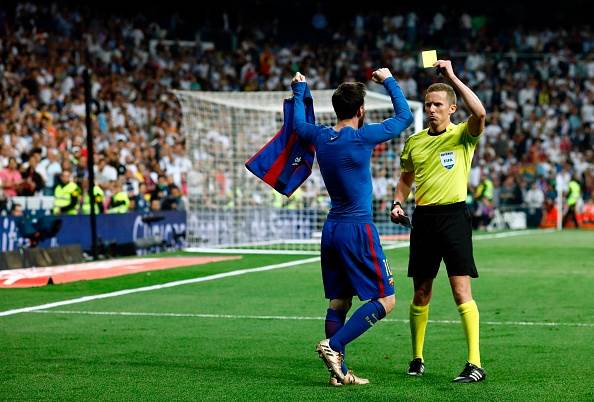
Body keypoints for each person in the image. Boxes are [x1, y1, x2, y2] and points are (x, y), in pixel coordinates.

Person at [292, 67, 413, 385]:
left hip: (331, 229)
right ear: (361, 110)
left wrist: (300, 91)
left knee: (340, 301)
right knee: (387, 299)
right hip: (357, 229)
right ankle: (334, 345)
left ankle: (339, 373)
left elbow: (298, 125)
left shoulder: (319, 137)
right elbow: (405, 117)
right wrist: (388, 80)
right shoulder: (363, 137)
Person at [390, 59, 487, 383]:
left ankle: (475, 363)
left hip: (454, 217)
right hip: (424, 219)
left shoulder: (463, 135)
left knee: (461, 291)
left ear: (452, 109)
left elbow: (481, 113)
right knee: (421, 292)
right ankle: (417, 358)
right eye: (429, 104)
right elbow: (405, 179)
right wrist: (397, 202)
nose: (431, 109)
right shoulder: (415, 141)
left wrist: (453, 77)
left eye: (438, 105)